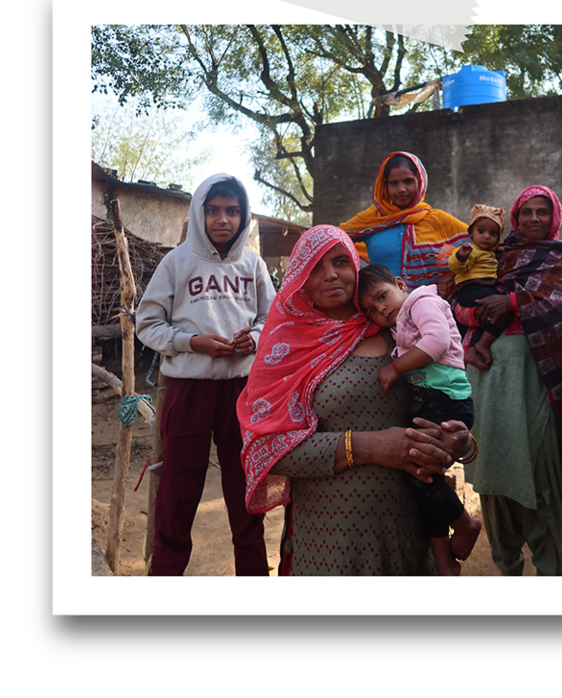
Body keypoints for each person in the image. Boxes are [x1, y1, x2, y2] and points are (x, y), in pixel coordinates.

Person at [237, 225, 475, 576]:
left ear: (356, 266)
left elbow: (447, 396)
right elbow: (268, 449)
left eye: (339, 262)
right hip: (331, 539)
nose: (330, 275)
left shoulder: (397, 329)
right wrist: (369, 447)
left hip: (410, 531)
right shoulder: (284, 349)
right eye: (315, 267)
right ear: (298, 278)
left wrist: (463, 443)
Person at [457, 185, 562, 576]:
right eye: (527, 211)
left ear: (555, 218)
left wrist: (514, 302)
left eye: (542, 212)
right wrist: (474, 314)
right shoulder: (496, 254)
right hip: (486, 385)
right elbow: (457, 298)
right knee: (492, 472)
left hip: (537, 387)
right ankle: (508, 567)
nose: (534, 218)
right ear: (515, 216)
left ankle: (551, 578)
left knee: (538, 477)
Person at [136, 173, 275, 576]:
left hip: (242, 389)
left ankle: (252, 577)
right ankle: (165, 576)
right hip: (188, 388)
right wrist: (191, 343)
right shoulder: (177, 262)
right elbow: (147, 324)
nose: (222, 219)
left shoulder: (252, 264)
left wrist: (256, 337)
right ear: (199, 211)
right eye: (212, 210)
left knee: (245, 484)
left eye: (233, 211)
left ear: (244, 215)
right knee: (178, 487)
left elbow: (272, 317)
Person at [356, 264, 482, 576]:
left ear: (401, 283)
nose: (381, 309)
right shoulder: (399, 322)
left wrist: (395, 368)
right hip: (428, 401)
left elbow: (437, 341)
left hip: (445, 400)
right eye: (371, 310)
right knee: (423, 479)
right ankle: (443, 559)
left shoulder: (421, 303)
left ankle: (465, 525)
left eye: (382, 296)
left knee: (421, 476)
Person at [339, 151, 468, 298]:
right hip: (383, 312)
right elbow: (334, 241)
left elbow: (479, 243)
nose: (401, 189)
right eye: (394, 183)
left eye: (408, 181)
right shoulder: (371, 219)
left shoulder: (438, 220)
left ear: (420, 181)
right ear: (384, 186)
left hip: (432, 310)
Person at [448, 204, 507, 370]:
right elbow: (455, 267)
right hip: (472, 290)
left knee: (489, 318)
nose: (486, 237)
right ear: (471, 233)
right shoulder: (470, 250)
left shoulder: (490, 253)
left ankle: (473, 349)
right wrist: (461, 256)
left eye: (493, 234)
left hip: (483, 289)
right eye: (481, 231)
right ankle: (482, 345)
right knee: (500, 314)